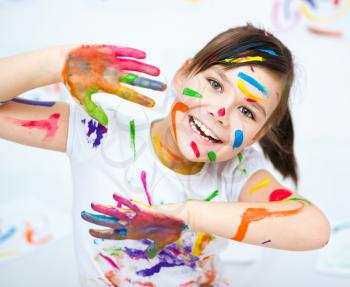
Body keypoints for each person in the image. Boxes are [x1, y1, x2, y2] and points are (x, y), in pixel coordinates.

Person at [0, 24, 330, 286]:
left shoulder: (238, 172)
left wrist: (186, 216)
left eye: (247, 111)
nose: (220, 111)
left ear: (256, 135)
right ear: (183, 74)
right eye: (216, 84)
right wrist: (58, 61)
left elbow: (313, 229)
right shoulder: (102, 131)